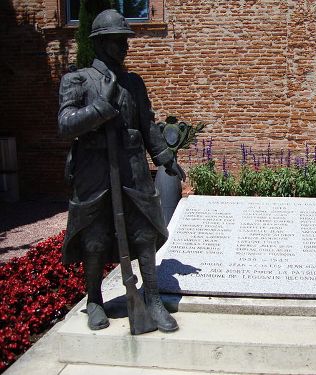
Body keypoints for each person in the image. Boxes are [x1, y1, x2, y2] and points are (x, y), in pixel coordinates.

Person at [58, 9, 184, 332]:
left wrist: (165, 158)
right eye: (117, 42)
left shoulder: (133, 83)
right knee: (96, 239)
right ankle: (94, 299)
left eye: (125, 41)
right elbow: (65, 123)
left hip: (132, 169)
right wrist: (101, 108)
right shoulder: (77, 79)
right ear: (100, 43)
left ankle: (152, 298)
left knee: (144, 234)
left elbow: (147, 124)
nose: (125, 48)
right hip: (94, 172)